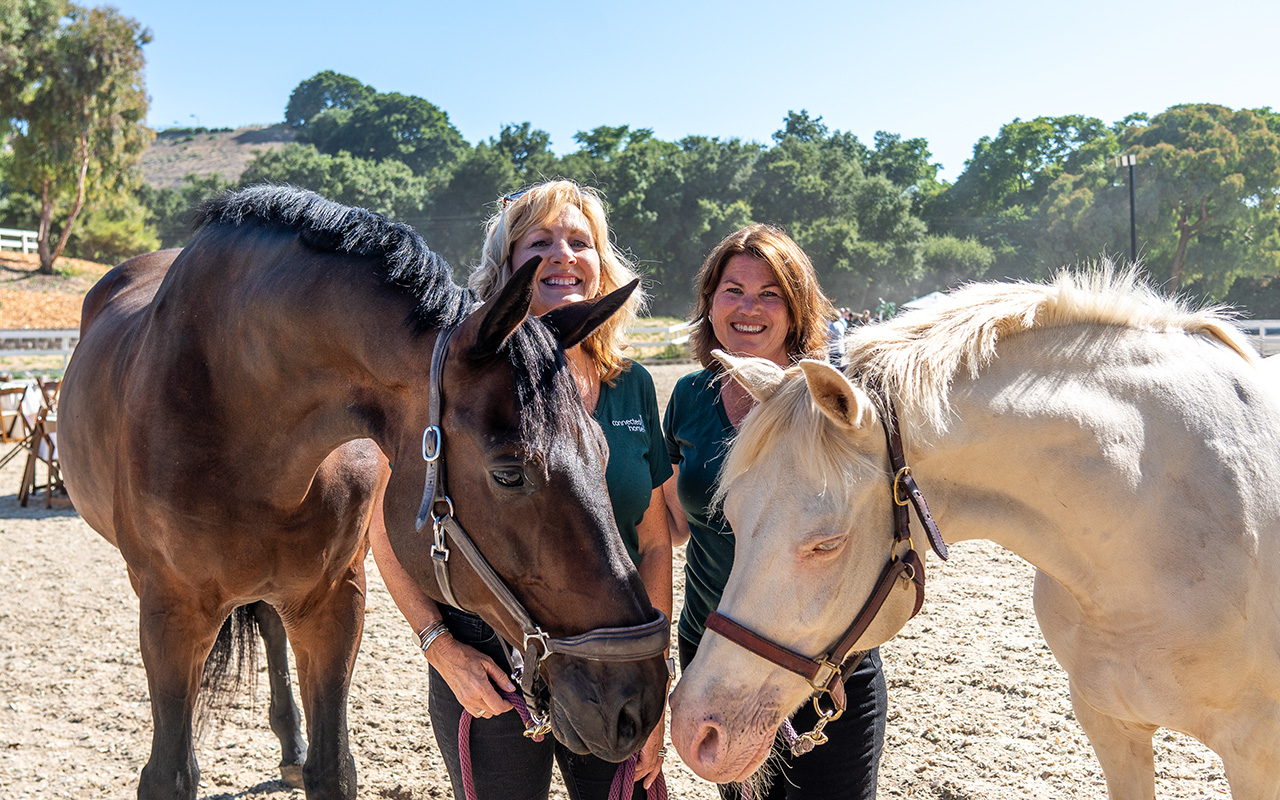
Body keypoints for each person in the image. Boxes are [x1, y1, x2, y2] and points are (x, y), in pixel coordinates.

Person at [369, 180, 673, 800]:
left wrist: (653, 676)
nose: (563, 254)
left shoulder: (631, 384)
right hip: (487, 657)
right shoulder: (455, 378)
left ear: (601, 264)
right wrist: (441, 649)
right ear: (506, 269)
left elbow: (655, 542)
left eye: (579, 242)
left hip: (609, 656)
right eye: (540, 242)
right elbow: (386, 525)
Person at [662, 224, 886, 800]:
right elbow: (669, 526)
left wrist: (845, 656)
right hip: (718, 645)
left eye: (770, 294)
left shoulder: (840, 404)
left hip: (821, 659)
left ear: (796, 308)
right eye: (732, 289)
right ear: (709, 302)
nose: (748, 308)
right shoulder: (690, 397)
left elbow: (876, 539)